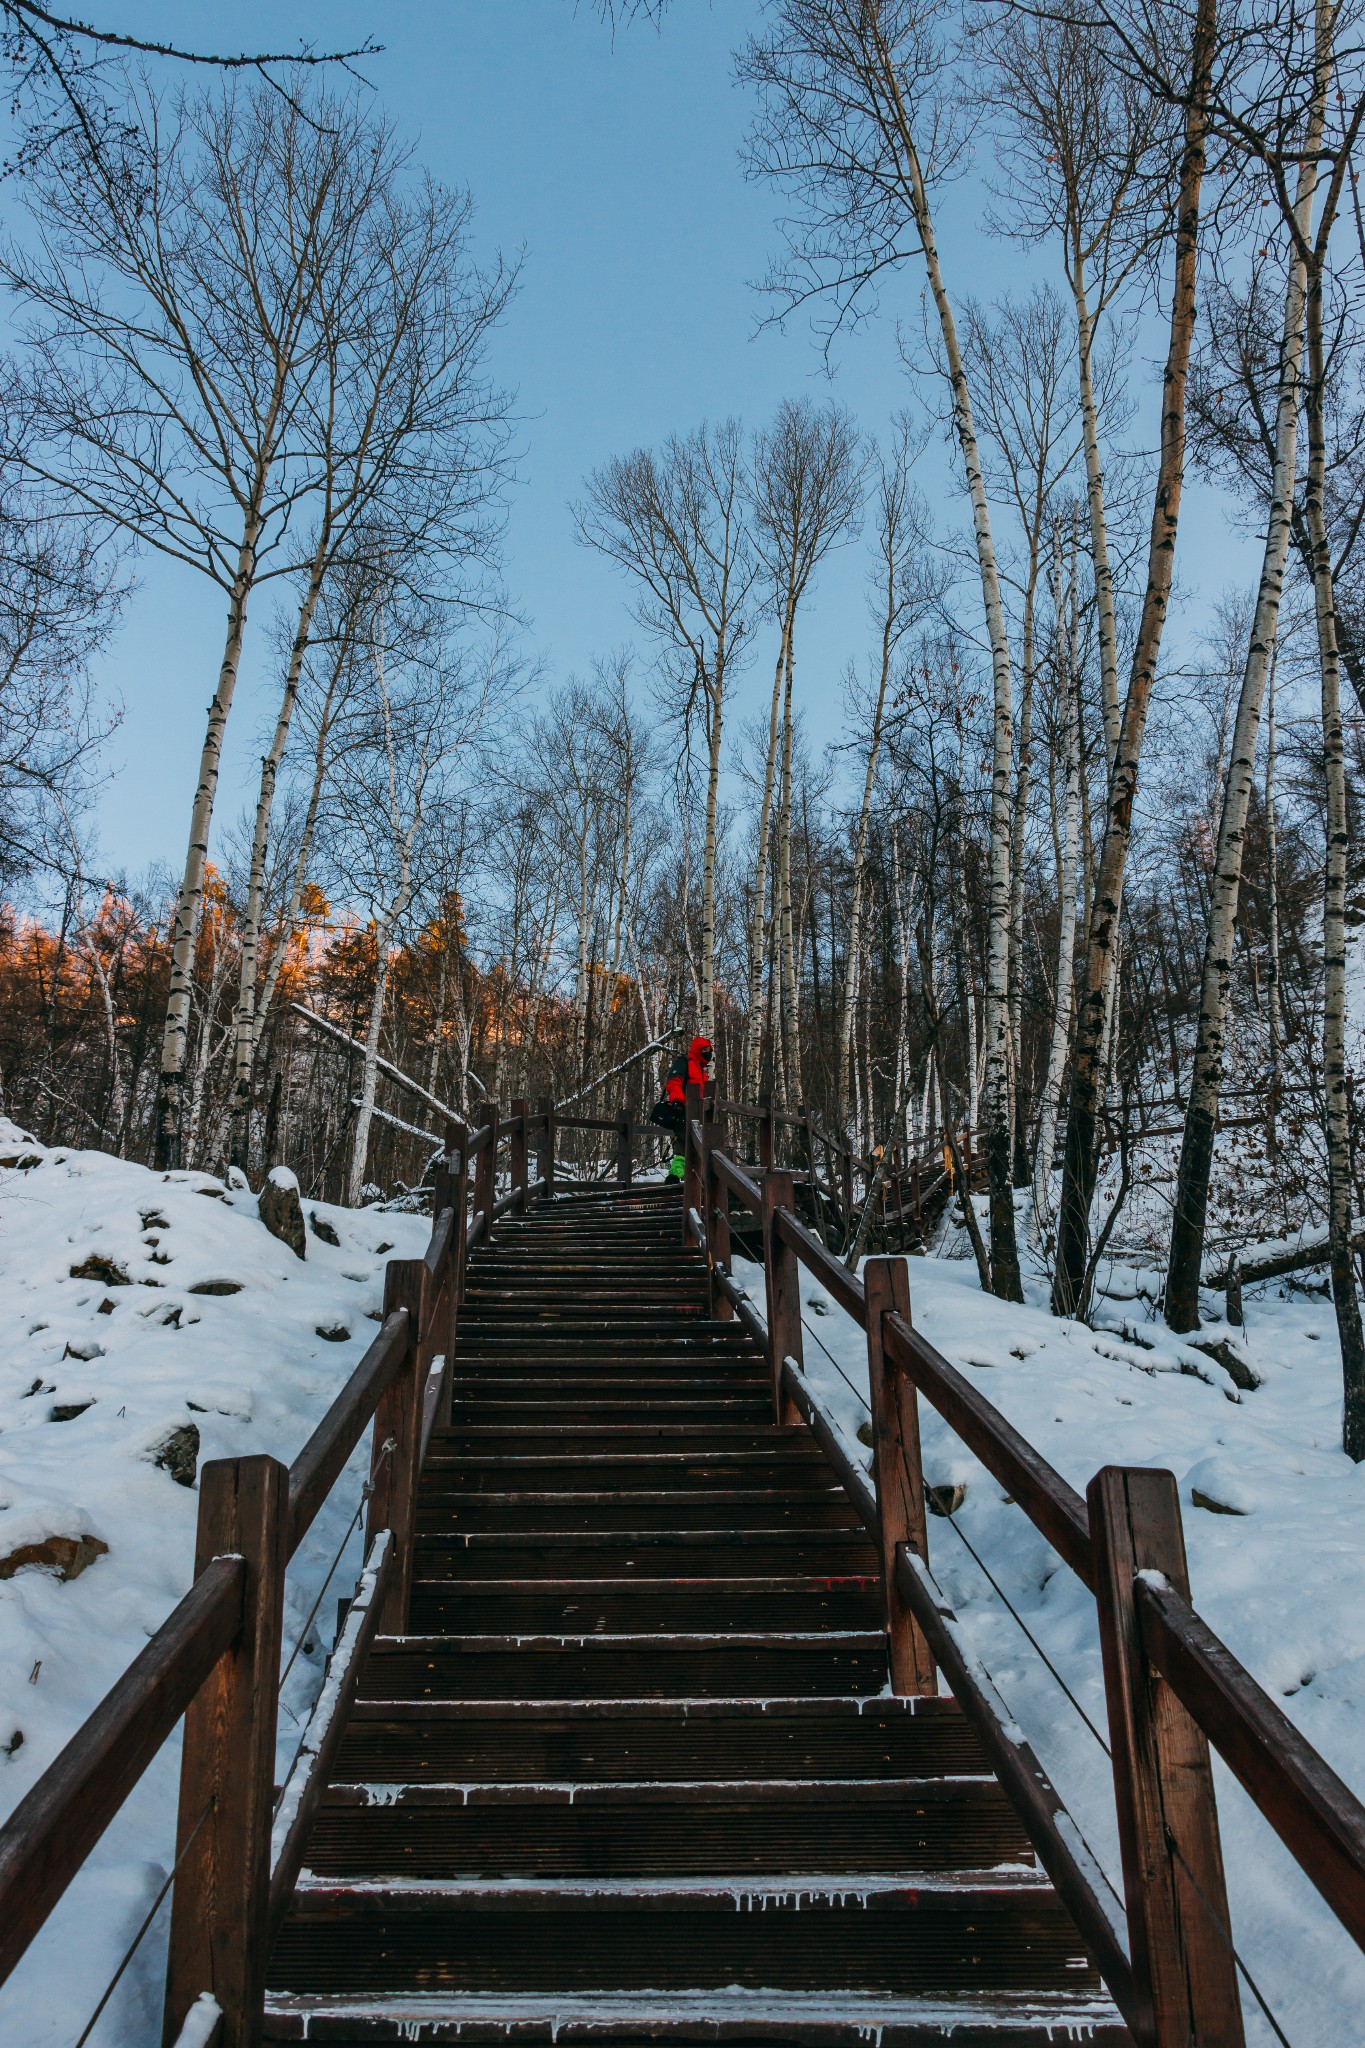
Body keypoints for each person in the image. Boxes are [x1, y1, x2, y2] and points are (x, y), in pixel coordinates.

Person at [649, 1035, 712, 1179]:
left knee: (697, 1149)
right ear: (698, 1050)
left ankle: (695, 1182)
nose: (708, 1052)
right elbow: (674, 1082)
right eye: (705, 1049)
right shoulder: (684, 1063)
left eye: (709, 1049)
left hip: (699, 1115)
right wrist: (677, 1102)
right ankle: (675, 1178)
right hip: (683, 1112)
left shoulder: (702, 1073)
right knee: (683, 1147)